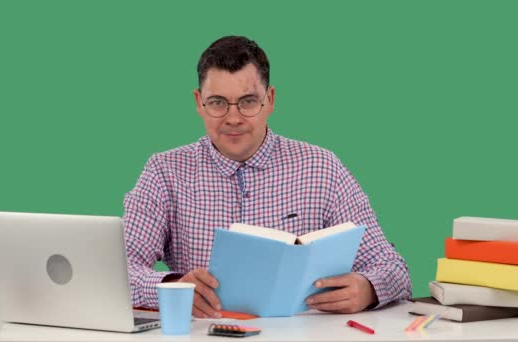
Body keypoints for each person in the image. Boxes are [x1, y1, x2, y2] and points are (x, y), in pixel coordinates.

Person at [123, 35, 411, 319]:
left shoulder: (321, 167)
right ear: (199, 103)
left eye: (247, 102)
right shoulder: (164, 171)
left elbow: (391, 265)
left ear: (270, 99)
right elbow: (117, 270)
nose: (233, 118)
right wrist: (175, 287)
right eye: (218, 103)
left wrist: (369, 288)